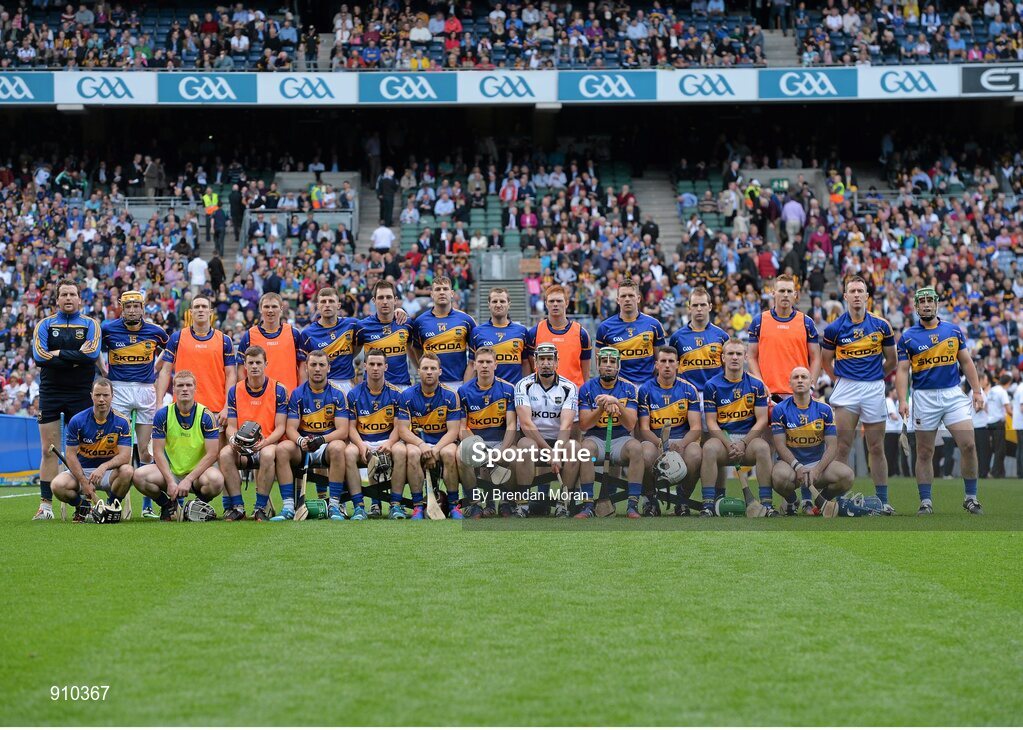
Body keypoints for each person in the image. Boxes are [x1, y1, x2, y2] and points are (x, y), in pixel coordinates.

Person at [896, 287, 985, 515]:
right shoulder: (907, 337)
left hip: (952, 394)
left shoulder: (953, 330)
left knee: (969, 444)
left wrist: (976, 391)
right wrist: (902, 399)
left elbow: (966, 362)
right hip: (924, 397)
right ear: (916, 307)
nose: (926, 305)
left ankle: (971, 497)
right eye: (922, 301)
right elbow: (903, 371)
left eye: (930, 301)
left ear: (937, 304)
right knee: (925, 452)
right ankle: (926, 501)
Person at [821, 277, 897, 514]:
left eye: (860, 291)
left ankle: (882, 500)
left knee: (876, 446)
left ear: (867, 296)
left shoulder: (882, 325)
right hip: (847, 389)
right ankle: (839, 498)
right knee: (843, 446)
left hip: (874, 388)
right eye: (851, 291)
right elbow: (825, 361)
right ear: (845, 296)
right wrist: (841, 380)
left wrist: (874, 376)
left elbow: (892, 361)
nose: (856, 295)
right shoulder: (834, 329)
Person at [747, 273, 821, 512]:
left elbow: (816, 357)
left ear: (796, 295)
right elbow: (752, 356)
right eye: (781, 291)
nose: (785, 295)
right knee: (767, 449)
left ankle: (809, 498)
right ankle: (771, 502)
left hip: (798, 394)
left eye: (790, 291)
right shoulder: (760, 321)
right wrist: (760, 384)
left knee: (805, 448)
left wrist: (811, 384)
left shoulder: (805, 322)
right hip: (770, 396)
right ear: (773, 293)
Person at [32, 279, 100, 520]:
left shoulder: (91, 324)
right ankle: (45, 506)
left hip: (81, 393)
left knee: (83, 451)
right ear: (57, 299)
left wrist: (59, 353)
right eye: (64, 294)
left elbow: (91, 353)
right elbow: (39, 356)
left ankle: (86, 504)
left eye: (73, 294)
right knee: (48, 450)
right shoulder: (45, 324)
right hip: (51, 392)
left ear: (80, 299)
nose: (68, 298)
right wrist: (76, 358)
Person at [100, 289, 170, 519]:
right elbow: (95, 353)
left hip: (145, 390)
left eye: (136, 306)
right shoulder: (108, 329)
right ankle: (115, 502)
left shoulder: (156, 332)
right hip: (118, 388)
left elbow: (170, 351)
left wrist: (156, 367)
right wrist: (104, 372)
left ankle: (148, 505)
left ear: (143, 308)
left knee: (145, 450)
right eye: (127, 306)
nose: (132, 310)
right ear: (121, 306)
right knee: (122, 450)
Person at [132, 370, 224, 520]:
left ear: (195, 388)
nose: (185, 389)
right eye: (180, 385)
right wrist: (169, 481)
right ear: (173, 389)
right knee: (139, 476)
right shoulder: (163, 414)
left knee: (216, 480)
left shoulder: (206, 415)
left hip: (197, 475)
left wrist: (188, 479)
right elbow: (158, 452)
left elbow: (213, 454)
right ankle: (167, 505)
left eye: (189, 385)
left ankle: (195, 507)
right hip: (171, 472)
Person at [576, 348, 657, 519]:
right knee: (585, 451)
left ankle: (632, 504)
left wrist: (617, 404)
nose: (608, 366)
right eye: (604, 362)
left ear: (618, 366)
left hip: (621, 438)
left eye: (612, 362)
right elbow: (584, 424)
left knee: (636, 448)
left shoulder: (629, 388)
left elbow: (630, 423)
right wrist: (602, 407)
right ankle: (588, 504)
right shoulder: (586, 388)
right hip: (595, 437)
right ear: (598, 365)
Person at [700, 338, 775, 517]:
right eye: (730, 354)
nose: (735, 357)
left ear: (746, 357)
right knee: (709, 448)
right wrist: (728, 444)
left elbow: (762, 420)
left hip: (748, 439)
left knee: (764, 448)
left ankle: (767, 504)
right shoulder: (712, 385)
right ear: (723, 358)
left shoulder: (756, 385)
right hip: (723, 439)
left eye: (739, 354)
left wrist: (743, 442)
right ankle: (708, 504)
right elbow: (711, 422)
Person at [273, 349, 350, 521]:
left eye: (321, 365)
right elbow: (290, 428)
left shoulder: (338, 394)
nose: (317, 369)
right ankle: (288, 507)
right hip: (304, 445)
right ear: (306, 367)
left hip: (327, 444)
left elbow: (342, 431)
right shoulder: (297, 394)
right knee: (282, 449)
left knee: (339, 447)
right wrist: (300, 441)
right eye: (313, 364)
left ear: (328, 368)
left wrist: (321, 440)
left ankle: (335, 505)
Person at [513, 343, 583, 519]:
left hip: (559, 439)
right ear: (535, 361)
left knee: (574, 449)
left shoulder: (570, 387)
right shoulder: (523, 385)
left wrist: (557, 451)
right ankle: (523, 503)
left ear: (557, 362)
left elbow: (566, 425)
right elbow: (526, 424)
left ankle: (563, 503)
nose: (545, 363)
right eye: (541, 359)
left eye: (549, 359)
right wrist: (549, 452)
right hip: (533, 440)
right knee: (525, 448)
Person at [219, 346, 288, 521]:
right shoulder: (235, 390)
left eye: (258, 362)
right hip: (243, 447)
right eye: (251, 363)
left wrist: (265, 443)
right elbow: (231, 426)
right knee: (225, 453)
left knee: (267, 453)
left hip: (267, 443)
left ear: (266, 364)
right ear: (245, 365)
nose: (255, 366)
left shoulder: (278, 389)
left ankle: (260, 508)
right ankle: (238, 506)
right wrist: (233, 438)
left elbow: (280, 428)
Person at [50, 378, 134, 522]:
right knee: (57, 485)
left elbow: (125, 456)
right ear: (91, 396)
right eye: (98, 395)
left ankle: (110, 507)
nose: (101, 399)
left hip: (108, 473)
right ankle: (83, 507)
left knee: (127, 471)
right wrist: (83, 481)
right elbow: (70, 455)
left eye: (106, 395)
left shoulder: (122, 421)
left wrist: (104, 466)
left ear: (112, 396)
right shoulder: (77, 421)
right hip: (82, 471)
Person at [771, 367, 854, 507]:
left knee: (847, 476)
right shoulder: (779, 409)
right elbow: (780, 445)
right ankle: (792, 501)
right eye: (796, 377)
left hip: (817, 465)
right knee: (778, 478)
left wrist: (817, 470)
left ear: (811, 382)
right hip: (791, 466)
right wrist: (797, 467)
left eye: (804, 377)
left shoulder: (824, 409)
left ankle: (821, 501)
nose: (800, 380)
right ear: (789, 383)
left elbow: (832, 446)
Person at [637, 346, 703, 515]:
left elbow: (696, 428)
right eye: (663, 361)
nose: (667, 365)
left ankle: (682, 499)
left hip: (681, 440)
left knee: (696, 453)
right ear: (656, 365)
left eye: (671, 361)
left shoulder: (689, 390)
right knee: (644, 453)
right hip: (655, 440)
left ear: (678, 365)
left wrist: (681, 444)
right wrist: (659, 443)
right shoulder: (645, 390)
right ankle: (651, 500)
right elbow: (644, 428)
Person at [397, 354, 463, 519]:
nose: (429, 372)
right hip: (418, 442)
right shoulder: (407, 396)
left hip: (443, 442)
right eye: (425, 368)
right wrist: (422, 445)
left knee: (449, 453)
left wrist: (436, 450)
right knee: (412, 453)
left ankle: (454, 505)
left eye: (433, 368)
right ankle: (418, 506)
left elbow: (453, 431)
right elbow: (403, 430)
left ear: (440, 371)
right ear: (418, 371)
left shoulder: (450, 395)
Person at [156, 295, 237, 431]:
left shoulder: (224, 340)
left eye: (204, 307)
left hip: (215, 409)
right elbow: (165, 371)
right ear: (191, 312)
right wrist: (159, 403)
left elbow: (231, 375)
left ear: (211, 312)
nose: (200, 310)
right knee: (183, 452)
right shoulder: (177, 337)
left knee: (215, 453)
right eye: (196, 307)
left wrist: (227, 407)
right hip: (183, 408)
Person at [344, 349, 408, 519]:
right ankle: (359, 506)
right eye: (371, 364)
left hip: (388, 442)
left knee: (401, 451)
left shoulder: (396, 394)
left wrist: (389, 443)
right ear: (365, 366)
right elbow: (351, 427)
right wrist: (360, 445)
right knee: (349, 452)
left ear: (386, 367)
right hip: (363, 442)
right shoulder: (353, 394)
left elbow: (399, 427)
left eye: (379, 364)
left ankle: (395, 504)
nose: (375, 368)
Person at [456, 347, 518, 516]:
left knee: (512, 454)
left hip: (500, 442)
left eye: (488, 362)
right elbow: (462, 428)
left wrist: (501, 450)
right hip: (475, 443)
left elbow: (511, 425)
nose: (484, 366)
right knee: (461, 454)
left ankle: (506, 502)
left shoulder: (508, 389)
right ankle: (474, 502)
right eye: (481, 362)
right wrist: (480, 448)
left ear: (495, 365)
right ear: (474, 365)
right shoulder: (463, 391)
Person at [410, 276, 476, 391]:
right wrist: (424, 372)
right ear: (431, 294)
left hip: (459, 383)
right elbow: (416, 350)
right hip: (431, 385)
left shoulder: (466, 320)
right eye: (438, 289)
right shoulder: (420, 322)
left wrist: (465, 387)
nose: (441, 292)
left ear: (452, 293)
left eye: (445, 289)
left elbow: (474, 358)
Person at [596, 278, 665, 386]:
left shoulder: (654, 325)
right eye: (623, 296)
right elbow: (600, 365)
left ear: (638, 298)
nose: (627, 299)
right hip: (618, 388)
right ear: (618, 300)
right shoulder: (605, 328)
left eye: (631, 295)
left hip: (647, 386)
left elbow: (659, 362)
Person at [526, 284, 592, 389]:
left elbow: (586, 373)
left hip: (574, 395)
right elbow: (531, 368)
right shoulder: (534, 332)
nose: (555, 304)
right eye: (551, 301)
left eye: (559, 301)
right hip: (543, 396)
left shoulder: (581, 334)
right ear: (546, 304)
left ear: (567, 303)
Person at [237, 292, 305, 392]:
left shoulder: (293, 333)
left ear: (281, 309)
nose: (270, 310)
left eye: (274, 306)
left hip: (289, 398)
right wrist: (246, 394)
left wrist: (300, 394)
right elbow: (241, 369)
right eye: (266, 307)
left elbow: (302, 368)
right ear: (260, 309)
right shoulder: (249, 335)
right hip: (259, 399)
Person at [300, 287, 360, 396]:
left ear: (338, 305)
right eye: (323, 301)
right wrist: (304, 393)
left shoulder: (352, 325)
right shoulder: (307, 334)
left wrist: (397, 311)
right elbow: (303, 367)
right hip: (320, 386)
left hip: (346, 384)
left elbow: (375, 324)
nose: (327, 305)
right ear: (318, 306)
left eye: (331, 301)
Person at [355, 281, 414, 387]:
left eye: (389, 297)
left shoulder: (406, 323)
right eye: (381, 297)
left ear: (395, 300)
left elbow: (412, 350)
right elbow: (353, 353)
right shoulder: (362, 326)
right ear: (374, 300)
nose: (385, 301)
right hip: (373, 388)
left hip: (401, 385)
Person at [469, 288, 531, 385]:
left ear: (509, 304)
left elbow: (525, 363)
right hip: (486, 391)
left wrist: (526, 387)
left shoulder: (521, 332)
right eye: (494, 301)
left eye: (502, 301)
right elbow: (472, 365)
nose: (498, 305)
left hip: (514, 391)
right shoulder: (477, 332)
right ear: (488, 304)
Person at [983, 373, 1011, 478]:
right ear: (1008, 383)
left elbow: (985, 406)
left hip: (989, 422)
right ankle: (994, 472)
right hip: (998, 422)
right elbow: (1008, 409)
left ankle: (1001, 473)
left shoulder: (993, 390)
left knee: (996, 448)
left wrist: (990, 415)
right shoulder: (1003, 391)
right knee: (1000, 449)